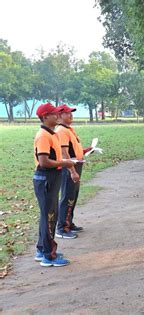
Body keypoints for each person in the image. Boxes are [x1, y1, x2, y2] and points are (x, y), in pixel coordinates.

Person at [33, 103, 75, 267]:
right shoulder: (44, 135)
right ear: (45, 117)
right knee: (50, 217)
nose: (58, 116)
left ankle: (42, 249)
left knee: (47, 216)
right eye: (54, 114)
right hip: (46, 178)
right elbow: (44, 161)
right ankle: (49, 256)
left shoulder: (51, 134)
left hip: (50, 178)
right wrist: (64, 163)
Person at [55, 104, 92, 239]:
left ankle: (68, 223)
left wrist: (85, 151)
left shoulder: (68, 129)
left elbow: (72, 149)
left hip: (76, 164)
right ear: (59, 116)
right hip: (69, 167)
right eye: (67, 113)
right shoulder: (61, 130)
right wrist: (72, 170)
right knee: (67, 197)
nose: (70, 115)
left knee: (73, 196)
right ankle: (62, 228)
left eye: (71, 112)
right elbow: (64, 153)